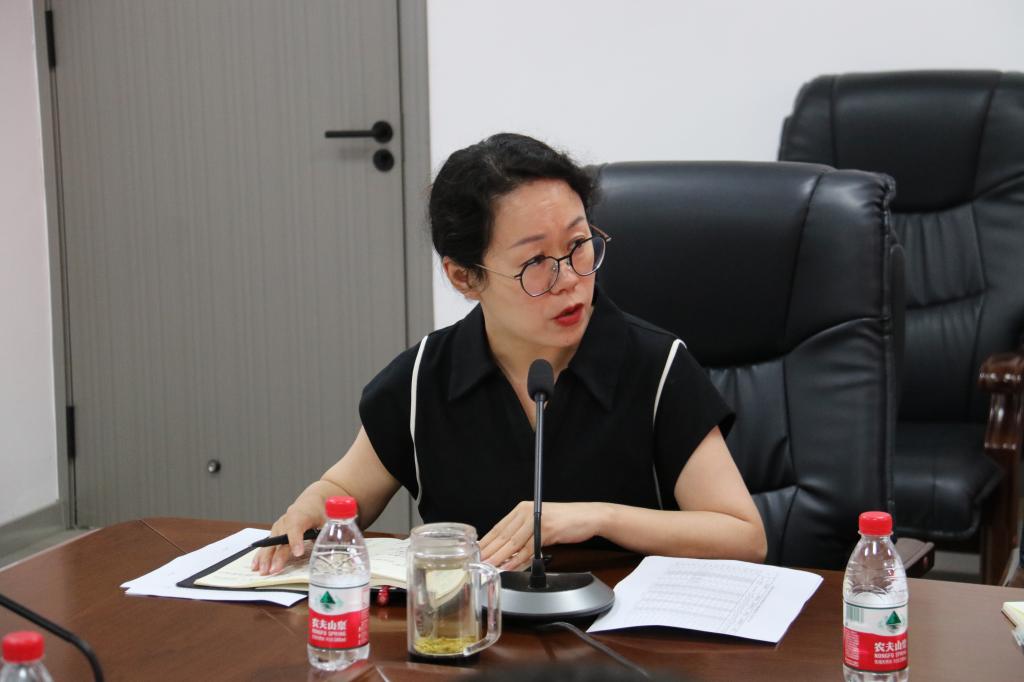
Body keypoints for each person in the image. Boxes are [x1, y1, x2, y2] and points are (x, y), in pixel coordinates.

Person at [254, 133, 766, 575]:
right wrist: (311, 508)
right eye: (535, 261)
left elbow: (744, 537)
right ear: (464, 277)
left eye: (579, 243)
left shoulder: (657, 367)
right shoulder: (423, 379)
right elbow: (344, 487)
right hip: (469, 635)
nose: (569, 278)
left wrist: (596, 517)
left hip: (627, 638)